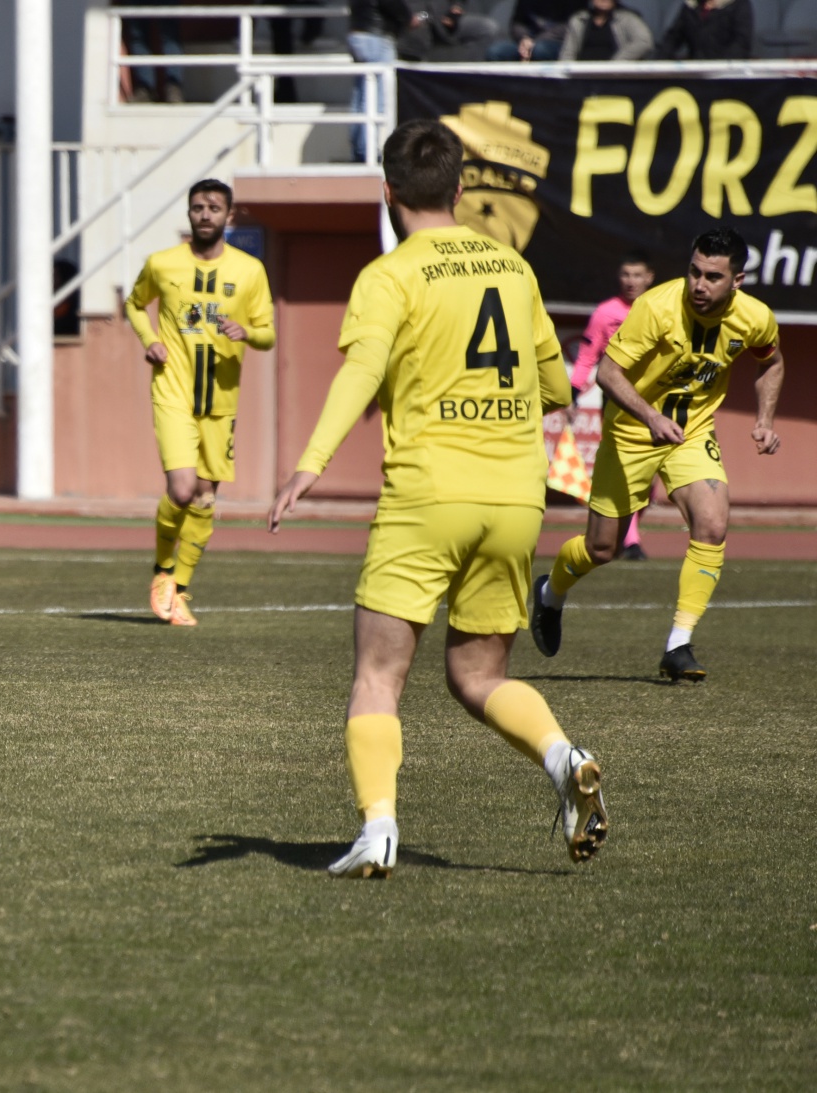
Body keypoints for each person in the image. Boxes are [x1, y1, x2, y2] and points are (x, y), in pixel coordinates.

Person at [269, 119, 608, 878]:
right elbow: (557, 385)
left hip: (430, 494)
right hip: (517, 501)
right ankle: (563, 756)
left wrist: (309, 464)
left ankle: (379, 827)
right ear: (461, 190)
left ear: (387, 192)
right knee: (478, 675)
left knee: (379, 675)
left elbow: (359, 373)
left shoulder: (391, 275)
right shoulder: (514, 269)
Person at [531, 229, 783, 682]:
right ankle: (550, 592)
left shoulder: (755, 318)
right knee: (601, 548)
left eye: (712, 276)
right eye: (694, 272)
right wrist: (649, 417)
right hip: (631, 433)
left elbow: (772, 361)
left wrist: (765, 419)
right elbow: (608, 374)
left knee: (712, 523)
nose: (699, 284)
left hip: (690, 433)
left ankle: (678, 645)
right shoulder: (656, 308)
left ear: (737, 280)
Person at [125, 179, 275, 627]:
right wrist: (150, 340)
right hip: (172, 391)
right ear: (188, 214)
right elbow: (135, 305)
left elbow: (268, 333)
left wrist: (246, 332)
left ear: (229, 217)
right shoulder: (162, 263)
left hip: (221, 401)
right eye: (197, 207)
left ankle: (180, 589)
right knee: (182, 489)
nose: (204, 214)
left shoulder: (249, 271)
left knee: (206, 499)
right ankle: (161, 569)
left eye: (213, 207)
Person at [570, 252, 656, 559]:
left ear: (650, 277)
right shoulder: (606, 312)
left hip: (656, 399)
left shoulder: (660, 308)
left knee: (650, 477)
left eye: (637, 275)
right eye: (626, 275)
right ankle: (630, 541)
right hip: (619, 399)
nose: (631, 281)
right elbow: (587, 355)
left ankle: (622, 533)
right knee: (624, 468)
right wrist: (573, 392)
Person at [347, 0, 419, 162]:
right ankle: (367, 152)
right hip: (376, 36)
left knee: (361, 96)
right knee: (375, 98)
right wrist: (408, 18)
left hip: (358, 33)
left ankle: (359, 150)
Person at [398, 1, 499, 62]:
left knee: (485, 27)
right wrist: (405, 17)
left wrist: (456, 8)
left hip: (442, 19)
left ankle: (469, 74)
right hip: (409, 21)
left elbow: (459, 2)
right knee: (413, 42)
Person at [486, 0, 588, 60]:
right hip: (526, 43)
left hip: (558, 45)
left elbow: (571, 26)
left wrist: (534, 42)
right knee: (496, 51)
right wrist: (524, 38)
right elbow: (517, 23)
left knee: (539, 49)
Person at [658, 0, 754, 59]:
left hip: (727, 78)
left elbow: (741, 43)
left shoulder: (739, 5)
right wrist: (658, 63)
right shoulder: (691, 6)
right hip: (696, 75)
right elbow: (673, 38)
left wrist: (721, 67)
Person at [560, 0, 655, 59]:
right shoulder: (578, 19)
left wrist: (617, 63)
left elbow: (644, 42)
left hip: (614, 77)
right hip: (582, 77)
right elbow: (568, 52)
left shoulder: (628, 18)